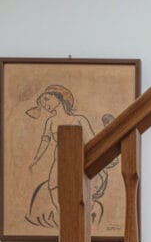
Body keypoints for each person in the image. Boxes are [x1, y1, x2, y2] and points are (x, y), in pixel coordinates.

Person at [25, 85, 109, 228]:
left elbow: (91, 141)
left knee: (78, 191)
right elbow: (45, 142)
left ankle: (81, 221)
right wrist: (34, 161)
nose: (45, 104)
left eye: (47, 99)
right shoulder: (50, 121)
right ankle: (67, 224)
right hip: (59, 159)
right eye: (43, 102)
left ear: (59, 97)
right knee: (53, 187)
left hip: (77, 159)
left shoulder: (79, 119)